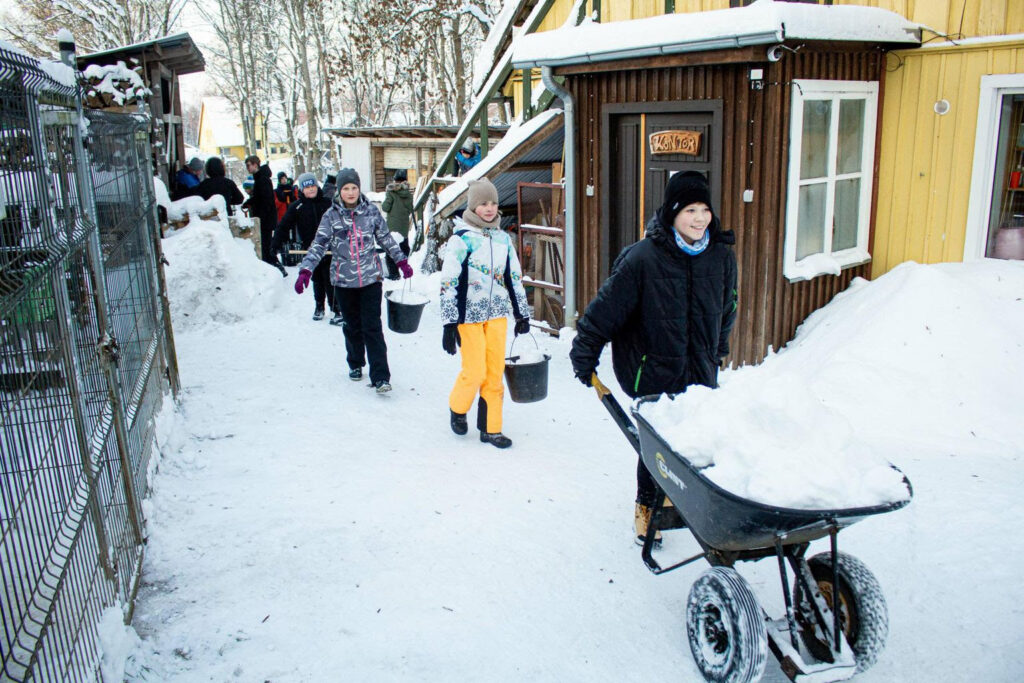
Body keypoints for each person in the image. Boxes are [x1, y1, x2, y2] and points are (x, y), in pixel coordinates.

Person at [569, 171, 738, 545]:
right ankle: (647, 508)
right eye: (690, 210)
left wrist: (717, 350)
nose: (699, 218)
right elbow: (605, 311)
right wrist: (585, 352)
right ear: (672, 213)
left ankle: (687, 503)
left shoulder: (721, 256)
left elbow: (728, 308)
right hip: (652, 372)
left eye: (705, 209)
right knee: (657, 449)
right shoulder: (643, 259)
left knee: (696, 440)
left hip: (699, 370)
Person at [293, 168, 413, 393]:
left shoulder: (371, 212)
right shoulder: (330, 216)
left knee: (373, 327)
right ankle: (356, 362)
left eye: (354, 188)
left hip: (370, 279)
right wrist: (306, 271)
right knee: (352, 326)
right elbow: (319, 244)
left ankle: (381, 376)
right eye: (346, 188)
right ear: (339, 191)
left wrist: (401, 261)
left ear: (359, 189)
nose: (350, 192)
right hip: (343, 281)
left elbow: (386, 238)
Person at [439, 178, 530, 449]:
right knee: (475, 370)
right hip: (468, 316)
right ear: (473, 206)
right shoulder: (462, 240)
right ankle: (458, 407)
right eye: (483, 204)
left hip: (497, 315)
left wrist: (522, 314)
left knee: (494, 372)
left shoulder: (504, 240)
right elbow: (448, 282)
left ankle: (491, 428)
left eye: (493, 203)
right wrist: (448, 322)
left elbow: (514, 277)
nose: (489, 209)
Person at [272, 172, 337, 322]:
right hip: (311, 250)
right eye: (307, 187)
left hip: (329, 249)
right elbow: (283, 226)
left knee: (330, 279)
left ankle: (335, 309)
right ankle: (319, 306)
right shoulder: (297, 207)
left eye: (313, 185)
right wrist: (275, 244)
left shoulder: (328, 203)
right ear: (302, 189)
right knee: (317, 279)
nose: (311, 189)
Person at [244, 155, 280, 268]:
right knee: (265, 245)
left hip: (265, 219)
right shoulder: (260, 178)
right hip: (264, 218)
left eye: (249, 165)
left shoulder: (262, 179)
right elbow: (259, 197)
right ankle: (273, 266)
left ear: (256, 164)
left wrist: (261, 218)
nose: (247, 168)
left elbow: (266, 200)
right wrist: (249, 202)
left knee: (266, 246)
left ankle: (275, 267)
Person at [381, 169, 413, 280]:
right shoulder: (408, 194)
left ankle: (394, 273)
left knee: (391, 249)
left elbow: (385, 207)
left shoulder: (391, 192)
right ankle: (404, 268)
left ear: (395, 180)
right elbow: (410, 209)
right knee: (404, 247)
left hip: (392, 226)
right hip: (403, 225)